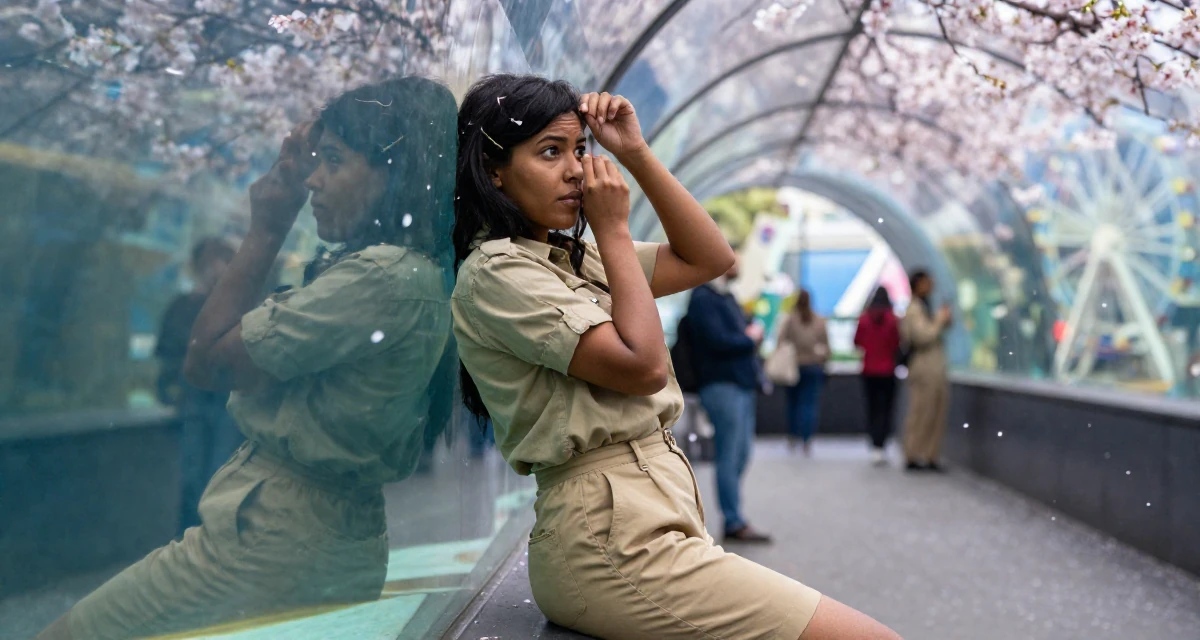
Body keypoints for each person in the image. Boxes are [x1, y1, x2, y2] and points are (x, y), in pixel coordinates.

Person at [451, 74, 899, 640]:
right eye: (549, 152)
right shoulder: (497, 271)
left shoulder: (570, 257)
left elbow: (710, 257)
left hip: (647, 521)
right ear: (494, 170)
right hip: (610, 543)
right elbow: (643, 368)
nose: (576, 170)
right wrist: (614, 230)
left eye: (579, 149)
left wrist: (634, 153)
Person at [37, 77, 459, 640]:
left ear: (393, 171)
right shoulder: (418, 271)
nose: (313, 179)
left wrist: (268, 222)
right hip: (315, 537)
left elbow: (206, 361)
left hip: (273, 543)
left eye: (333, 160)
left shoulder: (381, 277)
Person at [155, 236, 245, 535]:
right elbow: (167, 355)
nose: (217, 269)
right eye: (211, 262)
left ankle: (208, 541)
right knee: (193, 477)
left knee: (217, 475)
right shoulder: (182, 306)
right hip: (193, 401)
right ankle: (190, 541)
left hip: (226, 403)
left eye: (224, 261)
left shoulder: (238, 307)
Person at [688, 257, 775, 542]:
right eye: (730, 259)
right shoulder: (704, 297)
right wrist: (749, 339)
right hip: (722, 385)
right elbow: (717, 341)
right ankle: (733, 519)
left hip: (739, 384)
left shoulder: (723, 297)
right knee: (729, 453)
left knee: (740, 453)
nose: (736, 264)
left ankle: (733, 514)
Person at [901, 270, 952, 472]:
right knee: (921, 411)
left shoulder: (926, 307)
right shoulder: (913, 309)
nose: (930, 286)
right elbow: (922, 336)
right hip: (923, 368)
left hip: (935, 366)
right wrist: (939, 320)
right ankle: (914, 453)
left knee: (936, 412)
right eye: (926, 283)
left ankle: (930, 454)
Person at [777, 289, 830, 456]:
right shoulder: (819, 320)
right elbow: (827, 346)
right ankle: (806, 438)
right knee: (809, 404)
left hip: (793, 367)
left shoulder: (790, 319)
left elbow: (780, 342)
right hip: (813, 366)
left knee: (792, 404)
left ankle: (793, 435)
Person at [854, 286, 901, 466]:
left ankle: (874, 443)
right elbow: (897, 342)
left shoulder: (864, 319)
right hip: (888, 370)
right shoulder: (892, 320)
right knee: (886, 408)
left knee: (872, 407)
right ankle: (882, 443)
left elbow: (856, 341)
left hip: (868, 371)